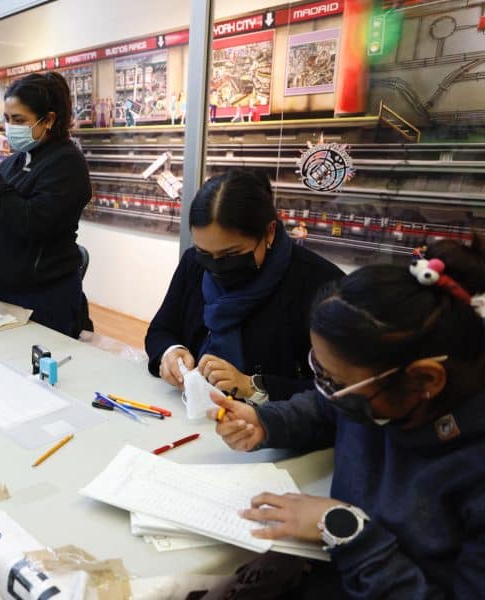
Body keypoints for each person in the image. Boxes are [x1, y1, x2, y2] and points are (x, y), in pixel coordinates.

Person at [210, 240, 485, 598]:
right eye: (319, 372)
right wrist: (265, 422)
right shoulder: (380, 398)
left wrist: (345, 530)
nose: (326, 389)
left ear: (425, 380)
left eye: (336, 382)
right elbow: (326, 408)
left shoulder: (472, 468)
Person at [146, 170, 343, 404]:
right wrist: (171, 352)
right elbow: (160, 330)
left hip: (271, 428)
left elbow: (338, 391)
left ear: (269, 233)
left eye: (231, 254)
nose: (216, 267)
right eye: (205, 253)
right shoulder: (194, 264)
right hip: (194, 413)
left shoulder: (320, 285)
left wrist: (252, 387)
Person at [0, 72, 92, 338]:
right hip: (3, 292)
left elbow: (31, 223)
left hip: (44, 298)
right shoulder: (15, 161)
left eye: (19, 120)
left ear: (49, 120)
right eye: (7, 119)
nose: (11, 127)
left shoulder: (67, 164)